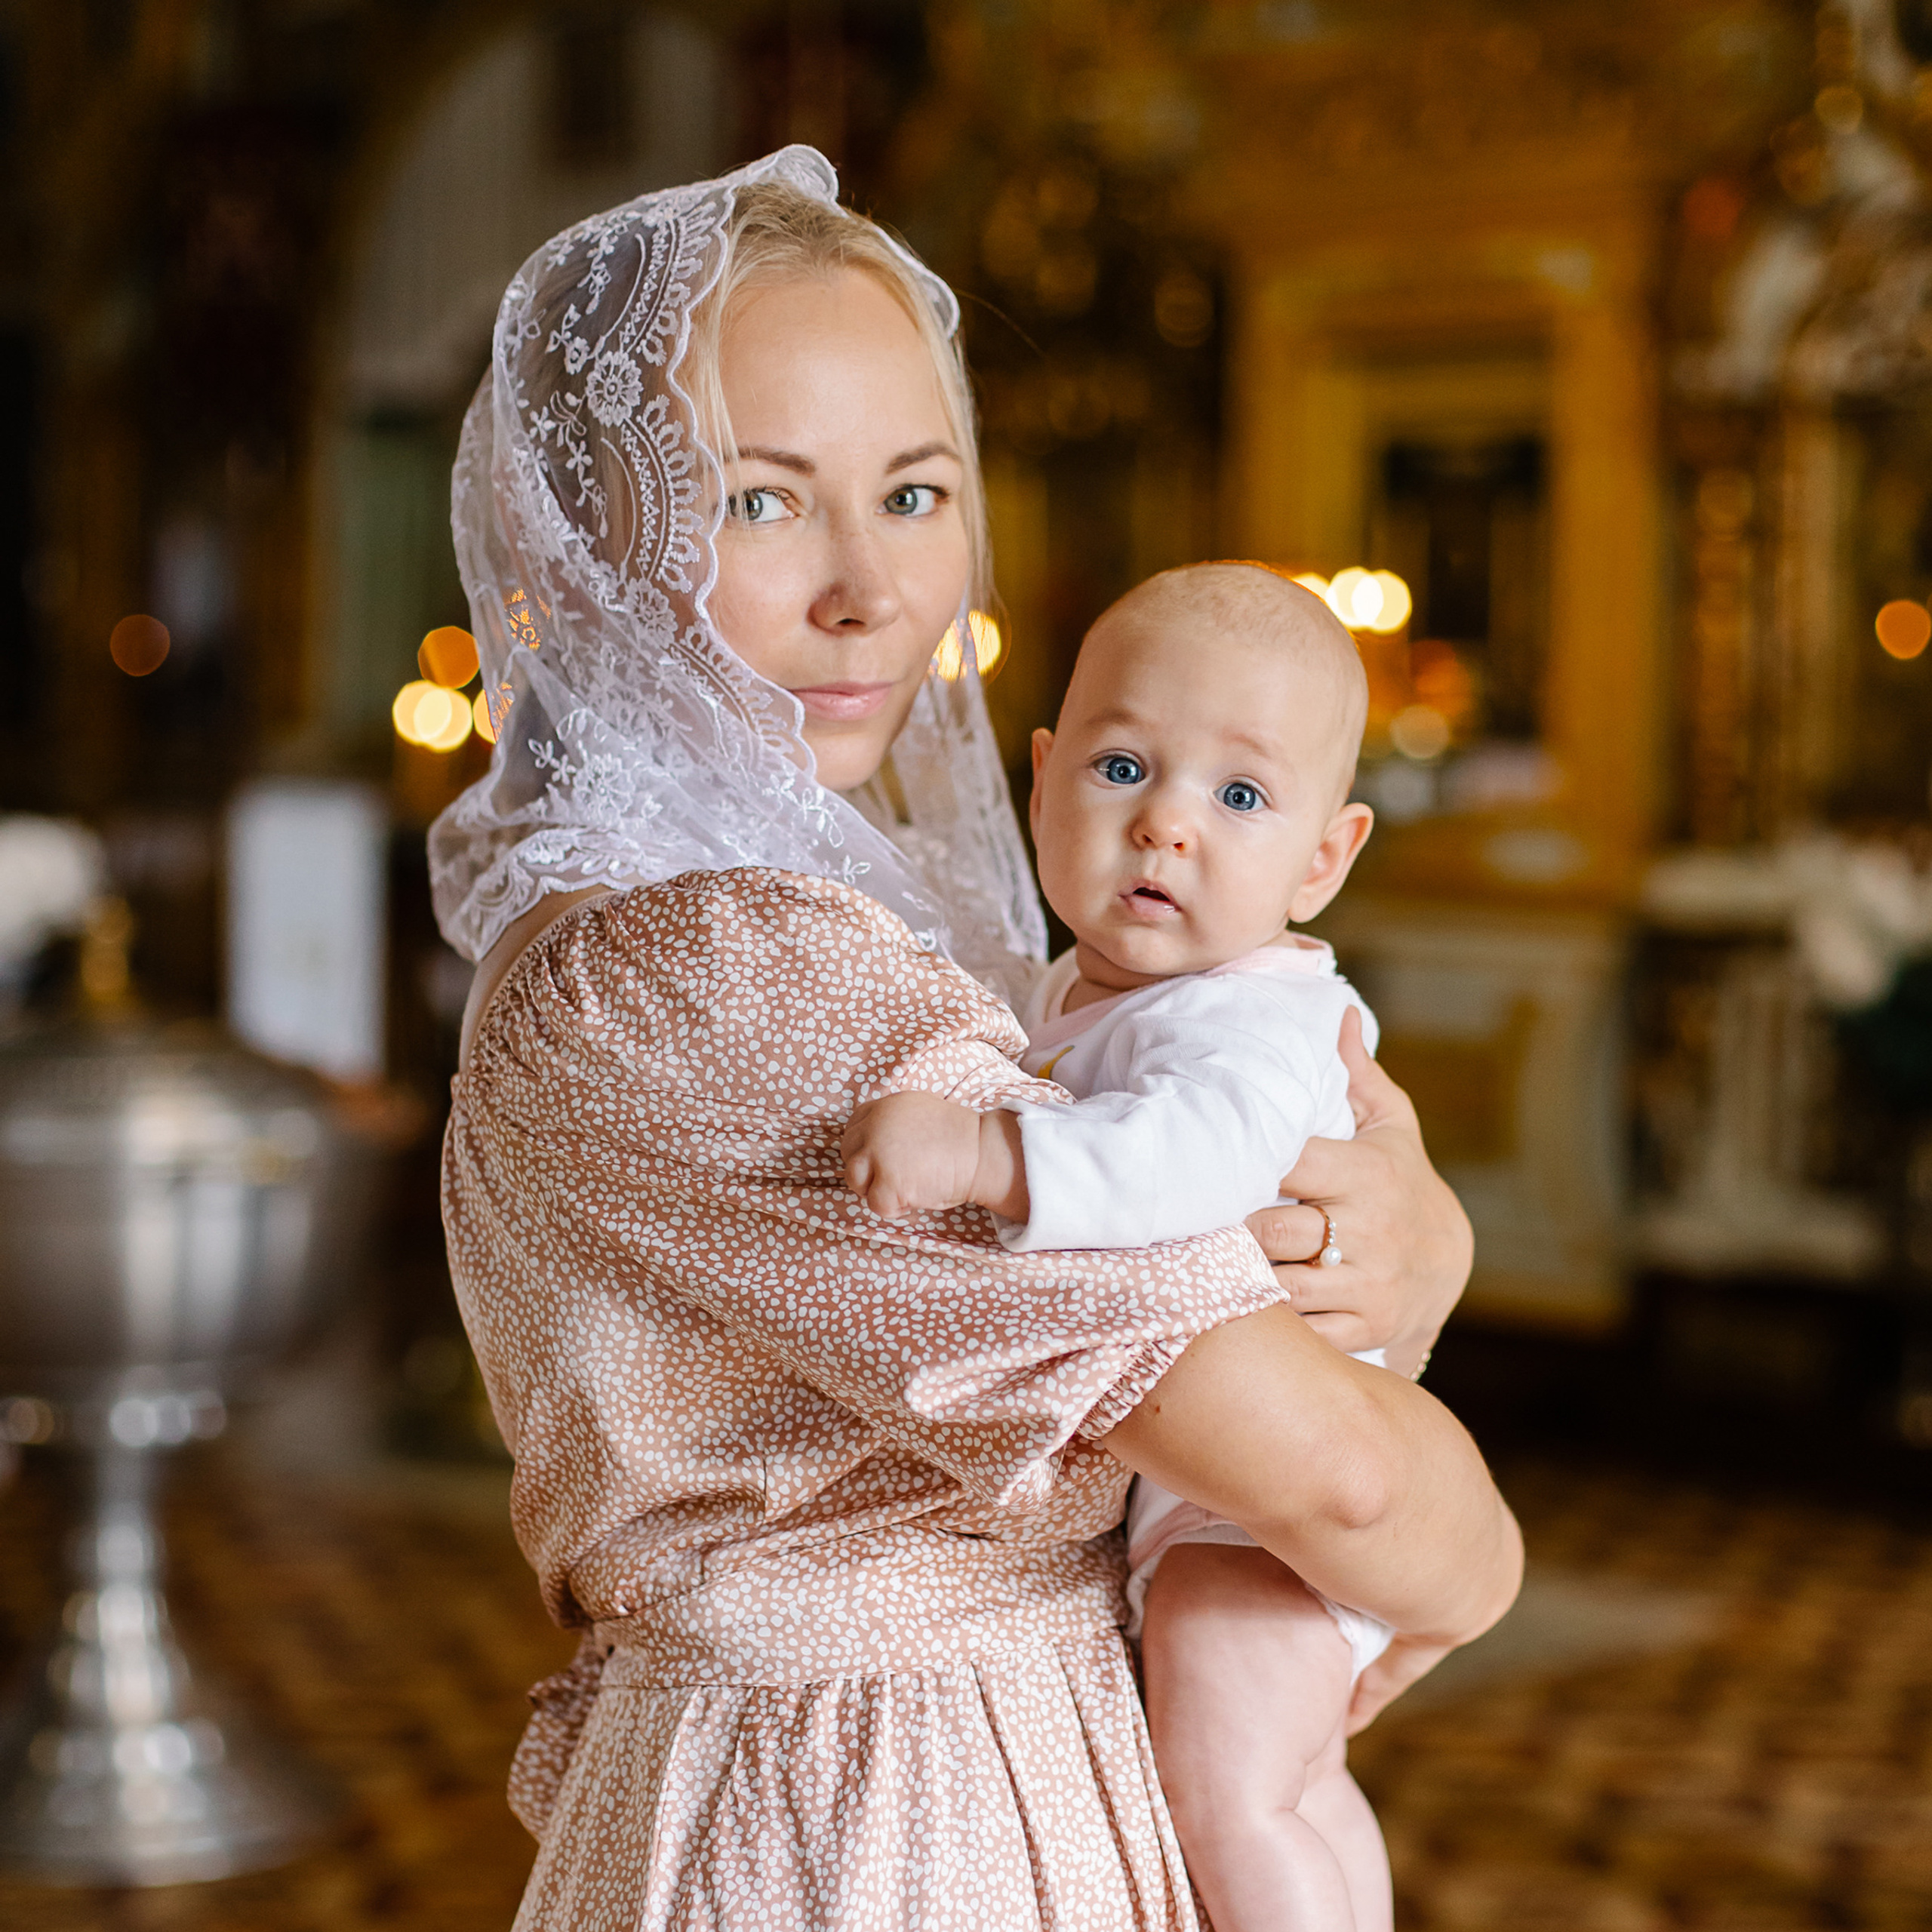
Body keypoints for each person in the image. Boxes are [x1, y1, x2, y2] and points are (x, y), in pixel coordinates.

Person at [434, 146, 1520, 1930]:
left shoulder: (787, 926)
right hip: (874, 1819)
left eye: (914, 489)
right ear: (590, 531)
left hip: (949, 1769)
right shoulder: (705, 966)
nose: (870, 588)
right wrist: (1476, 1556)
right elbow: (1319, 1457)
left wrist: (1413, 1226)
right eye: (758, 501)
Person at [843, 561, 1400, 1930]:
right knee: (1297, 1782)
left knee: (1232, 1794)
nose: (1165, 827)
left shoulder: (1252, 1024)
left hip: (1257, 1509)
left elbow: (1189, 1161)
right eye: (1123, 766)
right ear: (1042, 781)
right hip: (1224, 1492)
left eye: (1242, 798)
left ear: (1323, 860)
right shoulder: (1080, 991)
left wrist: (989, 1156)